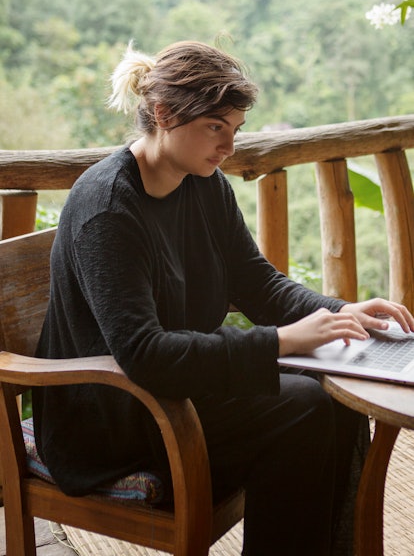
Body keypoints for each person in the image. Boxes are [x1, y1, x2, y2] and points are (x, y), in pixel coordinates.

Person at [33, 40, 414, 556]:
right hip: (114, 415)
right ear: (164, 114)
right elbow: (144, 354)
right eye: (216, 127)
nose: (229, 146)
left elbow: (254, 281)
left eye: (234, 129)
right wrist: (279, 342)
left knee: (334, 396)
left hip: (177, 390)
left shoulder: (202, 182)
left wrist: (338, 311)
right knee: (302, 409)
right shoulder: (109, 210)